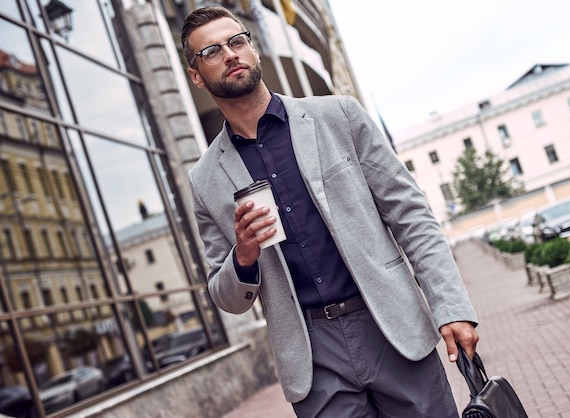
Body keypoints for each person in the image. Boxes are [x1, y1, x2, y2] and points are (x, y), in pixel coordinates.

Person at [182, 6, 479, 417]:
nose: (230, 54)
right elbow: (226, 297)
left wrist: (451, 308)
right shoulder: (204, 179)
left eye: (237, 42)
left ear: (253, 49)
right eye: (212, 51)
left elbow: (411, 215)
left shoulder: (338, 116)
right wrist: (243, 257)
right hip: (311, 355)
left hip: (390, 323)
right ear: (196, 75)